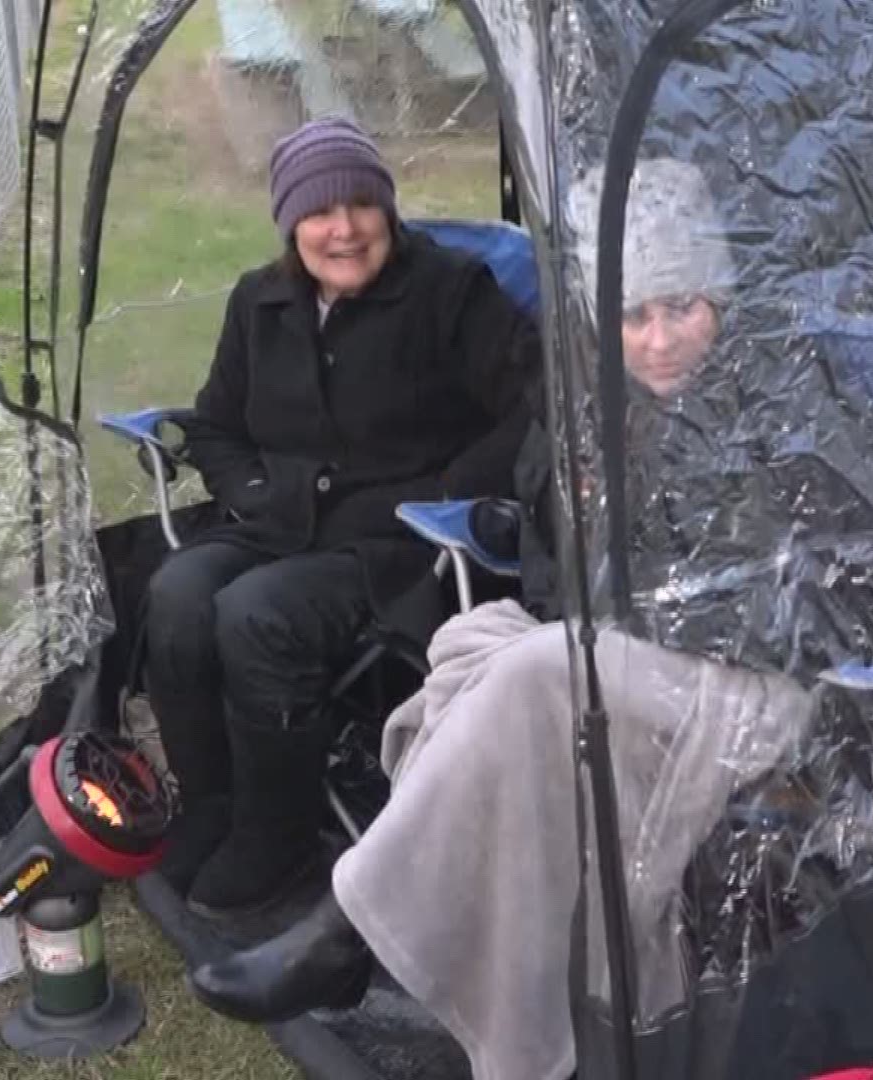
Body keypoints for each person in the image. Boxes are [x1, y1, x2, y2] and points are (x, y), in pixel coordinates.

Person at [187, 157, 826, 1080]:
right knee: (472, 645)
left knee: (532, 672)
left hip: (756, 680)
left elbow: (812, 593)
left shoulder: (777, 408)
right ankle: (510, 1004)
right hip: (625, 662)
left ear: (719, 297)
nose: (657, 341)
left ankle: (351, 929)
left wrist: (644, 608)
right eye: (632, 315)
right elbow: (548, 556)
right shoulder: (597, 408)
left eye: (681, 306)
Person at [142, 116, 542, 917]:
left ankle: (277, 837)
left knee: (256, 616)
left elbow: (537, 407)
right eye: (321, 212)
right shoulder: (260, 302)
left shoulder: (451, 291)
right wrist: (250, 491)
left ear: (388, 209)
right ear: (292, 222)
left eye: (363, 205)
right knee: (177, 593)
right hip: (274, 523)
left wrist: (452, 487)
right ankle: (212, 802)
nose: (345, 229)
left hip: (398, 543)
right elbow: (216, 422)